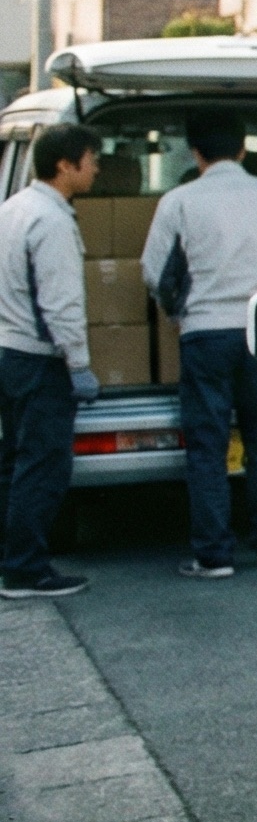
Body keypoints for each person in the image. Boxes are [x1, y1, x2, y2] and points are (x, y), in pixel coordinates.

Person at [143, 112, 257, 579]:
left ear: (195, 154)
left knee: (207, 446)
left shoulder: (178, 201)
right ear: (243, 149)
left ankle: (214, 555)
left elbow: (155, 272)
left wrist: (179, 313)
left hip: (205, 334)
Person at [0, 124, 102, 599]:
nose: (96, 169)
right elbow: (61, 304)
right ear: (65, 165)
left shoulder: (12, 209)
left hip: (10, 352)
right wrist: (78, 364)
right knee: (43, 466)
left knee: (14, 462)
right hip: (41, 361)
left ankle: (11, 559)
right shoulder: (53, 221)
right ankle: (25, 571)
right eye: (91, 160)